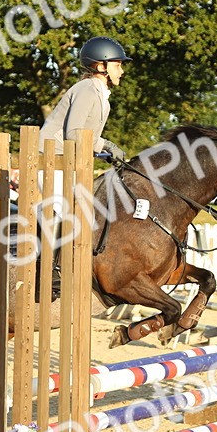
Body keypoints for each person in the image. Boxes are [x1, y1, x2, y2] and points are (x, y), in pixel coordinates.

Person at [36, 36, 132, 298]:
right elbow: (75, 132)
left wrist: (103, 152)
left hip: (67, 160)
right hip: (51, 160)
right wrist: (108, 145)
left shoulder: (101, 93)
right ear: (101, 66)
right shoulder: (88, 89)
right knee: (61, 211)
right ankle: (47, 274)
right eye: (117, 65)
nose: (121, 70)